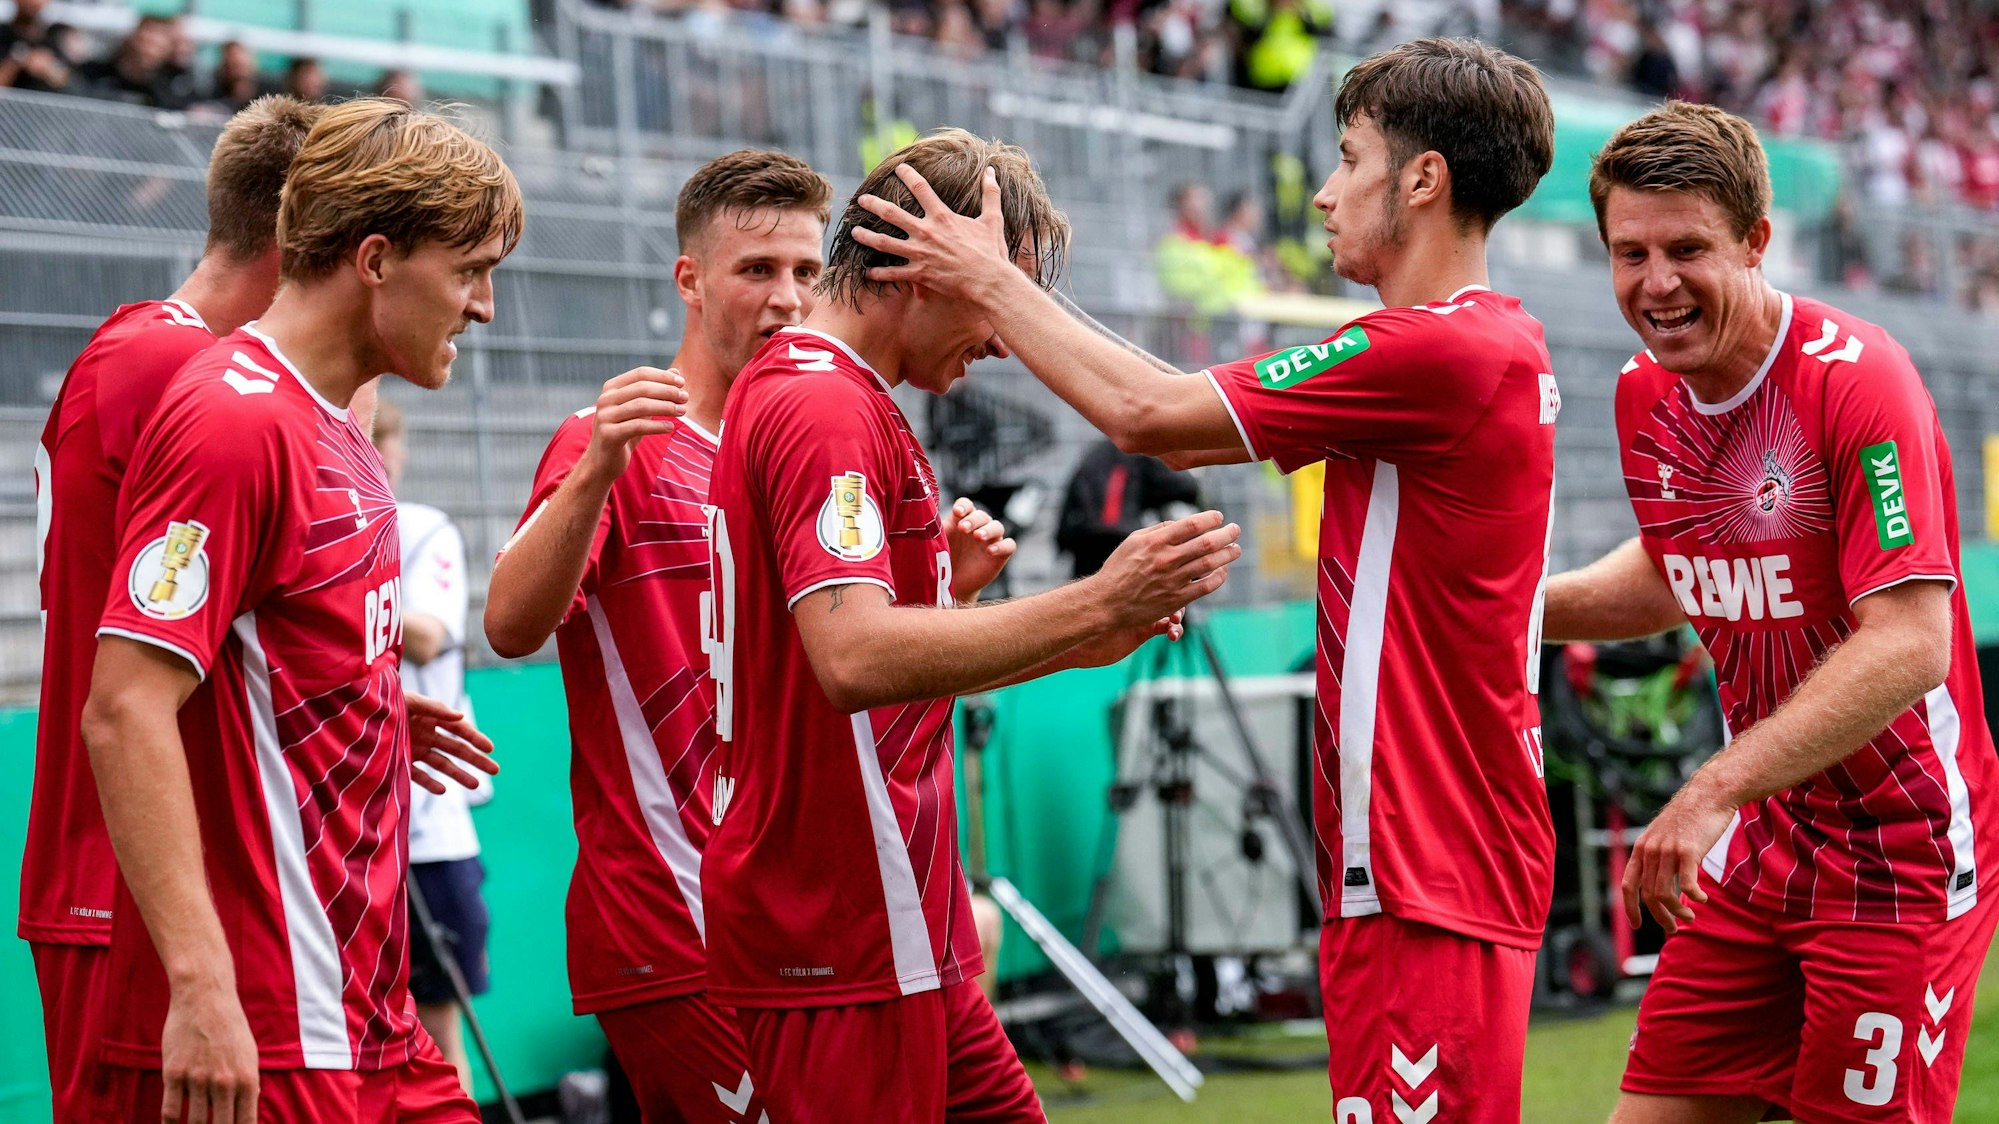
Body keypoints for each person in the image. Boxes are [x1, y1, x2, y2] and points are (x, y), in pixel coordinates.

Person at [848, 38, 1559, 1122]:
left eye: (1349, 159)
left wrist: (988, 278)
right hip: (1431, 858)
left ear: (1421, 180)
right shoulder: (1466, 346)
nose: (1321, 195)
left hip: (1434, 864)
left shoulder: (1440, 349)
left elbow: (1152, 416)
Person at [703, 127, 1241, 1123]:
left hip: (900, 920)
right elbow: (854, 656)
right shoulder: (823, 406)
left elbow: (867, 671)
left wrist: (1085, 633)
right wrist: (1091, 601)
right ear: (918, 267)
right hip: (839, 926)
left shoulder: (836, 397)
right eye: (995, 288)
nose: (1005, 333)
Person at [1542, 101, 1999, 1124]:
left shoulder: (1858, 379)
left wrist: (1711, 789)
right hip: (1767, 839)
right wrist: (1497, 612)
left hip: (1903, 850)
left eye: (1686, 248)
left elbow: (1913, 641)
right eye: (1629, 252)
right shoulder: (1638, 392)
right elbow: (1673, 573)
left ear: (1755, 239)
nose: (1654, 282)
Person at [81, 98, 523, 1124]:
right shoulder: (235, 418)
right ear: (374, 259)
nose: (485, 306)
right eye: (468, 272)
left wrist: (349, 711)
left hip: (370, 1009)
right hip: (276, 1027)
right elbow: (125, 707)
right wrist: (201, 985)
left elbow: (255, 664)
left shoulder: (336, 427)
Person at [484, 148, 833, 1123]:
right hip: (670, 911)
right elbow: (511, 623)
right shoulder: (614, 436)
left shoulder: (794, 451)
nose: (788, 297)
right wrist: (596, 467)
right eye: (756, 270)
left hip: (782, 910)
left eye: (806, 271)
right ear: (689, 279)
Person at [373, 399, 492, 1097]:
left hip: (429, 829)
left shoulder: (421, 530)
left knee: (441, 1034)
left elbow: (424, 635)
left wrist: (322, 599)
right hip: (350, 833)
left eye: (379, 439)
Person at [1055, 438, 1202, 578]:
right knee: (1132, 593)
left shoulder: (1092, 455)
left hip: (1086, 540)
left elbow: (1071, 497)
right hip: (1121, 536)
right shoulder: (1137, 452)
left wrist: (1062, 541)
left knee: (1088, 594)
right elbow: (1183, 487)